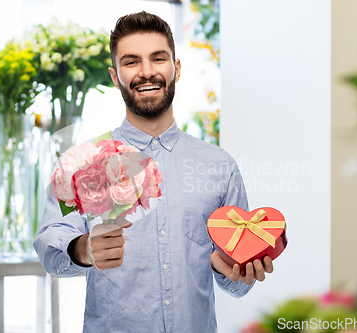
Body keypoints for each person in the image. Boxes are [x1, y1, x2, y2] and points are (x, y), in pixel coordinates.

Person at [33, 11, 274, 333]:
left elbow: (236, 284)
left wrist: (232, 270)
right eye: (131, 62)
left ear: (175, 68)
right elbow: (50, 249)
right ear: (115, 76)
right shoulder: (80, 162)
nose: (147, 72)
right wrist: (83, 248)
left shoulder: (219, 165)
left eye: (158, 59)